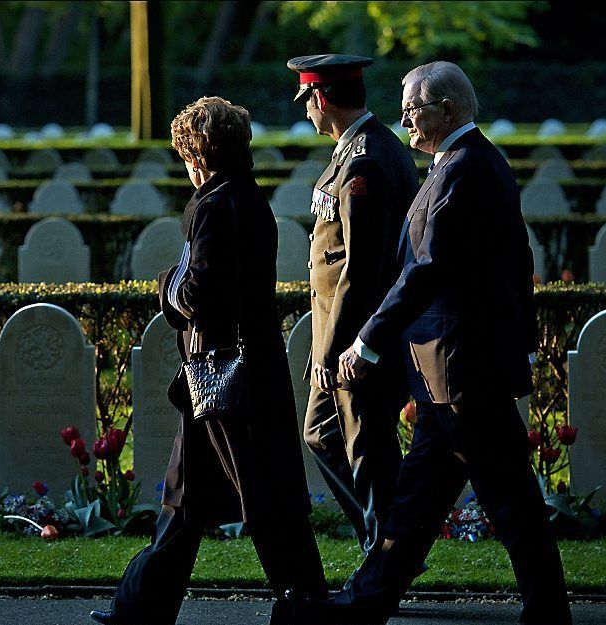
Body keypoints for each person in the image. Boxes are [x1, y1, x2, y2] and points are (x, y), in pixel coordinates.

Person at [292, 61, 573, 625]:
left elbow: (428, 268)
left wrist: (367, 341)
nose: (404, 119)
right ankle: (367, 602)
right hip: (451, 370)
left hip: (463, 370)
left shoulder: (466, 169)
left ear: (447, 109)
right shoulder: (466, 163)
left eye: (414, 108)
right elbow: (513, 261)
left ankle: (547, 610)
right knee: (418, 504)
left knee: (509, 500)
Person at [90, 96, 327, 625]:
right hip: (225, 374)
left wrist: (162, 286)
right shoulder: (247, 198)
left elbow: (195, 293)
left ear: (197, 155)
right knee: (185, 498)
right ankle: (140, 608)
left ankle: (307, 602)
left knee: (264, 498)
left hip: (225, 376)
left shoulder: (217, 206)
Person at [287, 54, 418, 555]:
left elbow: (359, 270)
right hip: (342, 336)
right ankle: (384, 541)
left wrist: (332, 351)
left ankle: (388, 553)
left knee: (366, 448)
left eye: (307, 103)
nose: (306, 113)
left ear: (321, 99)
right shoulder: (360, 149)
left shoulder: (364, 160)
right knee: (324, 434)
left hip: (358, 342)